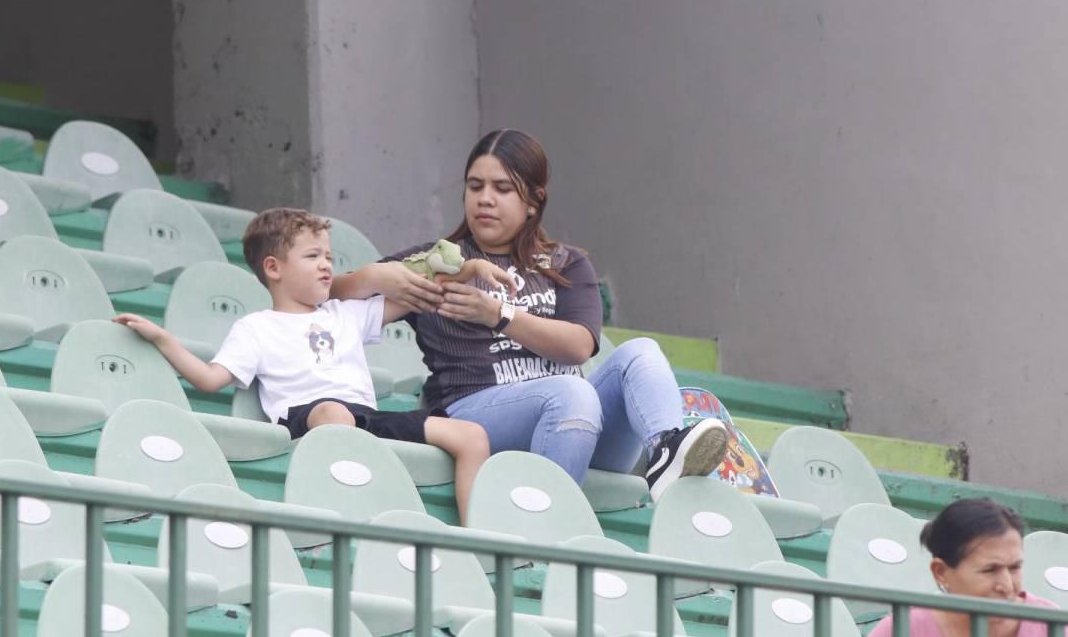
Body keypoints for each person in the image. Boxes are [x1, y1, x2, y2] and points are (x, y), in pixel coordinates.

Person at [331, 129, 728, 500]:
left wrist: (499, 315)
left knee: (639, 353)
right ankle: (543, 523)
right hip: (474, 414)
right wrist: (375, 274)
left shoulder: (564, 263)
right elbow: (327, 299)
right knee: (570, 393)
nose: (485, 199)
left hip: (577, 425)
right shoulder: (442, 259)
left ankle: (665, 451)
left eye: (503, 188)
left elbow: (578, 347)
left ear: (534, 201)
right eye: (475, 187)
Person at [115, 207, 508, 524]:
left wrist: (469, 269)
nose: (326, 267)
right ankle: (357, 506)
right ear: (273, 268)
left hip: (365, 419)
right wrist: (164, 339)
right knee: (333, 412)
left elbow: (423, 294)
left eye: (329, 257)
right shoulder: (256, 327)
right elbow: (209, 379)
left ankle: (477, 538)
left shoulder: (345, 313)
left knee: (471, 435)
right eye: (312, 256)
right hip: (310, 418)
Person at [858, 498, 1063, 637]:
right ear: (941, 572)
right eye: (989, 570)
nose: (1007, 585)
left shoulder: (1051, 627)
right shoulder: (902, 630)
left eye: (1015, 567)